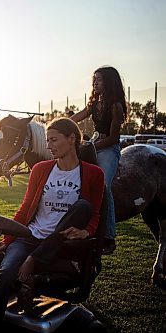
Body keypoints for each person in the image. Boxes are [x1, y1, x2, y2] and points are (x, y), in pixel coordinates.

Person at [0, 118, 105, 332]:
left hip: (58, 243)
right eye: (47, 141)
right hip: (29, 237)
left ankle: (33, 260)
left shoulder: (94, 173)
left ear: (72, 138)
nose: (48, 146)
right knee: (7, 274)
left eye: (54, 140)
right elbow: (25, 208)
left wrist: (86, 231)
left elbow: (94, 213)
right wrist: (7, 240)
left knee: (82, 206)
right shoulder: (40, 169)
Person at [71, 66, 127, 255]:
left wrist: (92, 146)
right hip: (93, 142)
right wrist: (60, 125)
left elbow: (113, 138)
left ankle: (109, 235)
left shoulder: (116, 106)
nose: (95, 83)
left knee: (104, 186)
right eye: (94, 79)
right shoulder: (93, 104)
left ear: (110, 82)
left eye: (99, 80)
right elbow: (75, 118)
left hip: (108, 148)